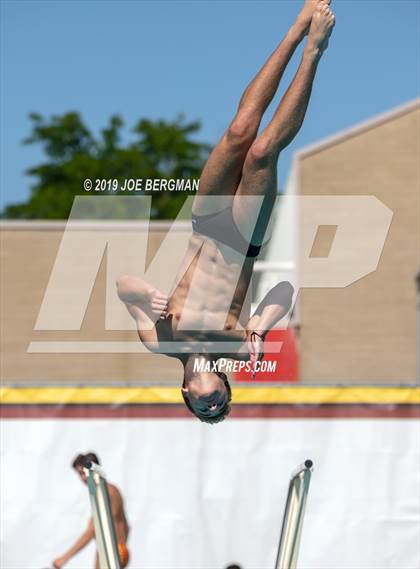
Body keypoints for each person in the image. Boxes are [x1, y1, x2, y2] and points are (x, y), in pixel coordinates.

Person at [117, 0, 336, 423]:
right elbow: (285, 291)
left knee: (238, 132)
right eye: (221, 405)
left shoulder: (159, 340)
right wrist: (260, 325)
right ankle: (313, 51)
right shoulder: (235, 346)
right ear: (225, 383)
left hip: (205, 225)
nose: (214, 404)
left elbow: (123, 287)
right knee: (261, 153)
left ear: (186, 392)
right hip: (242, 238)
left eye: (205, 409)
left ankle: (295, 30)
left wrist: (145, 294)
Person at [52, 453, 130, 569]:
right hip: (113, 552)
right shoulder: (111, 490)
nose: (83, 478)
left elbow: (92, 531)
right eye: (80, 474)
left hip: (112, 554)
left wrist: (65, 558)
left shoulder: (104, 493)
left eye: (84, 473)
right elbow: (126, 525)